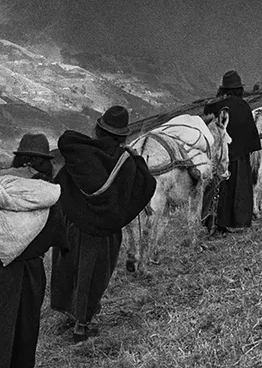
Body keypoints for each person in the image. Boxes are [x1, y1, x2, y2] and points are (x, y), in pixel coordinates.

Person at [51, 106, 156, 343]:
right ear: (123, 136)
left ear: (98, 129)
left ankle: (69, 312)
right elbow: (145, 185)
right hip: (102, 230)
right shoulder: (126, 163)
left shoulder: (80, 152)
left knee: (69, 268)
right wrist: (137, 159)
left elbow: (62, 181)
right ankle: (81, 326)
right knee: (92, 276)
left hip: (72, 223)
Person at [0, 134, 68, 368]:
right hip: (28, 273)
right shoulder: (47, 192)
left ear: (20, 159)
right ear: (43, 162)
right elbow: (55, 231)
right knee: (23, 335)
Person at [202, 70, 262, 234]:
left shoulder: (213, 106)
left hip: (219, 156)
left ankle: (214, 222)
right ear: (239, 89)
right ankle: (240, 221)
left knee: (218, 189)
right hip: (241, 156)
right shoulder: (244, 106)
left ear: (223, 89)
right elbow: (250, 133)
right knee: (240, 187)